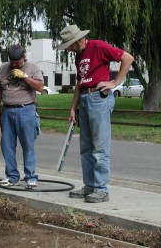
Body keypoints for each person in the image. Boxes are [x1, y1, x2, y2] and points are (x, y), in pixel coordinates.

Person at [58, 24, 134, 203]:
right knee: (86, 148)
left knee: (99, 147)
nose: (69, 48)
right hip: (84, 98)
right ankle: (90, 185)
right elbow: (80, 82)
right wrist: (73, 107)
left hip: (99, 98)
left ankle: (101, 189)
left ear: (78, 40)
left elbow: (127, 58)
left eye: (70, 44)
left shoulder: (98, 46)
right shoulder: (79, 56)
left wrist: (114, 82)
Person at [0, 44, 44, 189]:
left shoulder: (32, 68)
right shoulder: (3, 68)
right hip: (7, 111)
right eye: (12, 62)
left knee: (28, 144)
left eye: (18, 62)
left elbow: (40, 87)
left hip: (26, 110)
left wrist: (25, 77)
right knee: (7, 145)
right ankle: (12, 176)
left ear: (24, 58)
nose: (14, 65)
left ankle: (31, 177)